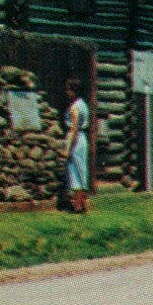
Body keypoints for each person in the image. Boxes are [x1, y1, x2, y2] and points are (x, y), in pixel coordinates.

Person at [63, 77, 90, 213]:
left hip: (76, 140)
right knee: (81, 170)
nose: (67, 93)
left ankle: (78, 206)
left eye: (68, 90)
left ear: (73, 91)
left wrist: (67, 148)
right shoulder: (83, 104)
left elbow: (74, 128)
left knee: (75, 171)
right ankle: (83, 204)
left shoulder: (74, 107)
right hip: (83, 138)